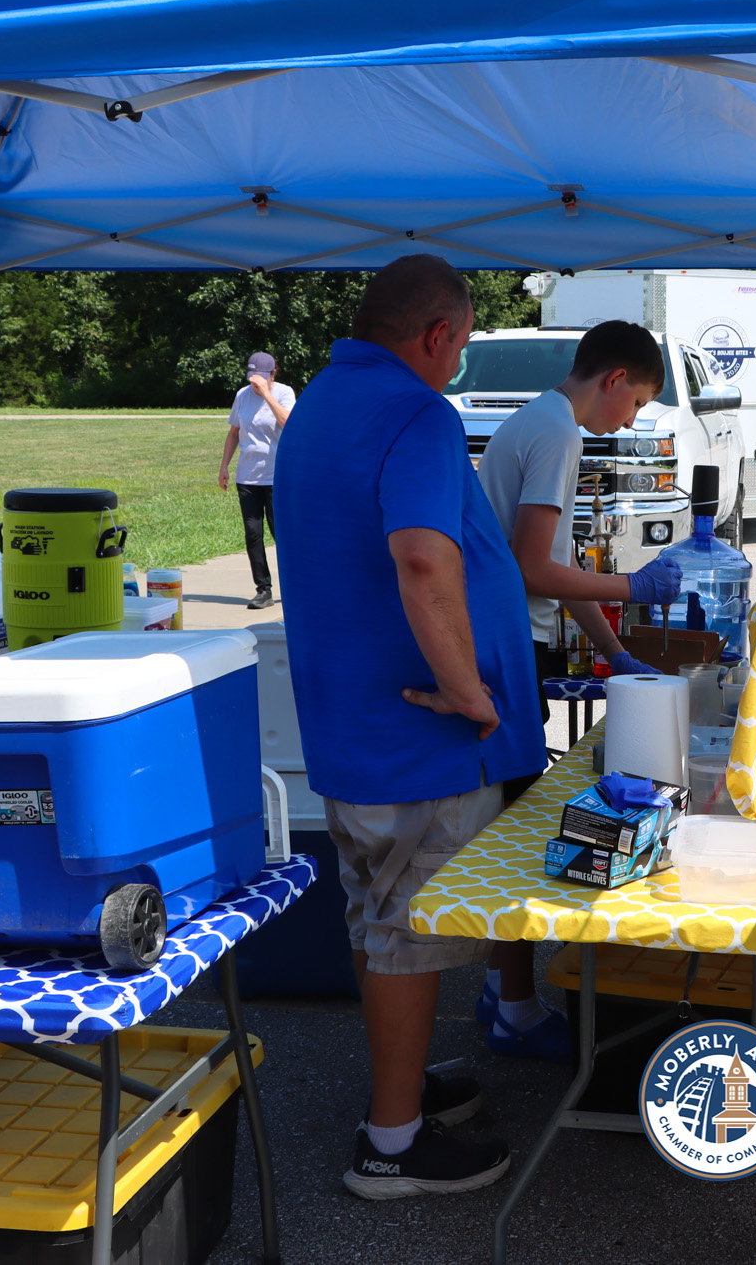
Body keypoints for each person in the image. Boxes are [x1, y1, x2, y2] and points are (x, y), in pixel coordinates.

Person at [274, 254, 543, 1199]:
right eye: (464, 343)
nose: (459, 359)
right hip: (415, 737)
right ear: (439, 336)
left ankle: (404, 1080)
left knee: (374, 915)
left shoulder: (317, 403)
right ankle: (391, 1144)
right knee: (405, 926)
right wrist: (471, 691)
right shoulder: (417, 411)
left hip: (352, 724)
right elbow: (424, 561)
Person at [472, 319, 683, 1059]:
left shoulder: (537, 419)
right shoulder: (558, 434)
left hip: (504, 637)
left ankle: (503, 986)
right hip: (504, 645)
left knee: (510, 814)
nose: (629, 421)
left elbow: (552, 566)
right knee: (516, 829)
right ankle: (516, 1007)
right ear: (614, 380)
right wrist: (633, 581)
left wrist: (616, 650)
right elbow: (534, 568)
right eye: (636, 404)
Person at [218, 352, 296, 609]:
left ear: (273, 373)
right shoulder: (242, 395)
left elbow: (289, 423)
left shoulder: (284, 393)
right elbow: (234, 433)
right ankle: (263, 589)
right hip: (248, 477)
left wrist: (267, 395)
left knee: (281, 534)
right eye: (253, 378)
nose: (256, 383)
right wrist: (224, 466)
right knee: (253, 535)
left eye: (261, 378)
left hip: (277, 476)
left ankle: (296, 587)